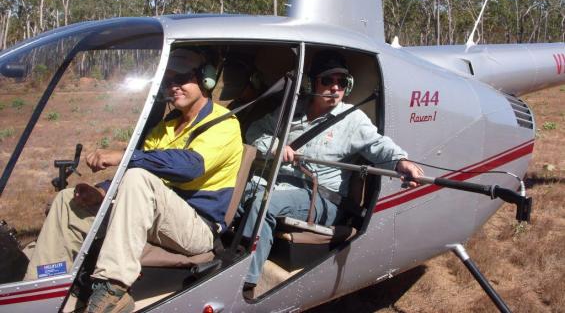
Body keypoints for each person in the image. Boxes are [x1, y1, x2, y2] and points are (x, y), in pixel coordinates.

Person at [24, 48, 243, 313]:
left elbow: (189, 166)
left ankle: (112, 291)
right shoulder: (165, 127)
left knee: (139, 176)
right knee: (68, 201)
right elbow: (141, 168)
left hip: (197, 228)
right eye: (168, 80)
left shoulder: (224, 124)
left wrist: (124, 156)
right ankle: (41, 287)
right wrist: (102, 191)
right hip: (152, 215)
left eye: (182, 78)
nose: (173, 87)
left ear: (206, 79)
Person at [241, 49, 424, 291]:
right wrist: (276, 147)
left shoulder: (352, 119)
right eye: (327, 81)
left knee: (264, 205)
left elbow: (377, 145)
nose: (335, 88)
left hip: (321, 197)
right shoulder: (292, 110)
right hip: (278, 184)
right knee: (232, 193)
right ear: (312, 83)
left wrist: (401, 162)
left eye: (342, 82)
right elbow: (255, 131)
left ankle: (244, 283)